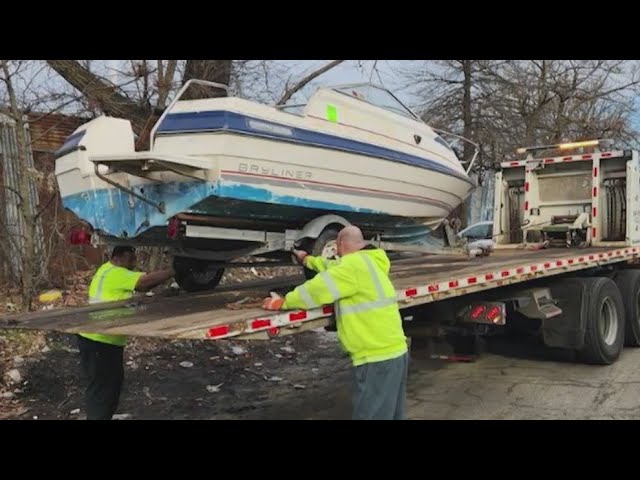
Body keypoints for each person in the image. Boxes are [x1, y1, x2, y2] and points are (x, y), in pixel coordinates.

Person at [262, 225, 408, 420]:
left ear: (339, 244)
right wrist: (307, 260)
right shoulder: (371, 262)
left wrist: (284, 301)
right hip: (397, 352)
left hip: (375, 357)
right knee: (391, 414)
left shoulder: (349, 268)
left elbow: (317, 290)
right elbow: (332, 268)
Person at [78, 246, 175, 420]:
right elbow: (144, 282)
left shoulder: (106, 270)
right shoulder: (116, 273)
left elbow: (142, 288)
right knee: (104, 389)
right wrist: (174, 271)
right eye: (130, 259)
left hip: (96, 339)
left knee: (106, 385)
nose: (133, 263)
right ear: (118, 258)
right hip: (101, 340)